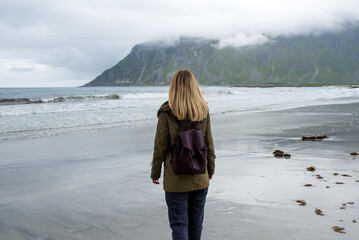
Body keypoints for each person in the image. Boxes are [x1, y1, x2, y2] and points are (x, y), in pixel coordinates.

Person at [151, 69, 216, 240]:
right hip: (200, 175)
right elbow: (209, 142)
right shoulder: (203, 109)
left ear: (174, 88)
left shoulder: (166, 112)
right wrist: (211, 169)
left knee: (179, 224)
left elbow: (160, 147)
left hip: (176, 178)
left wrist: (155, 172)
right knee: (196, 224)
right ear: (194, 87)